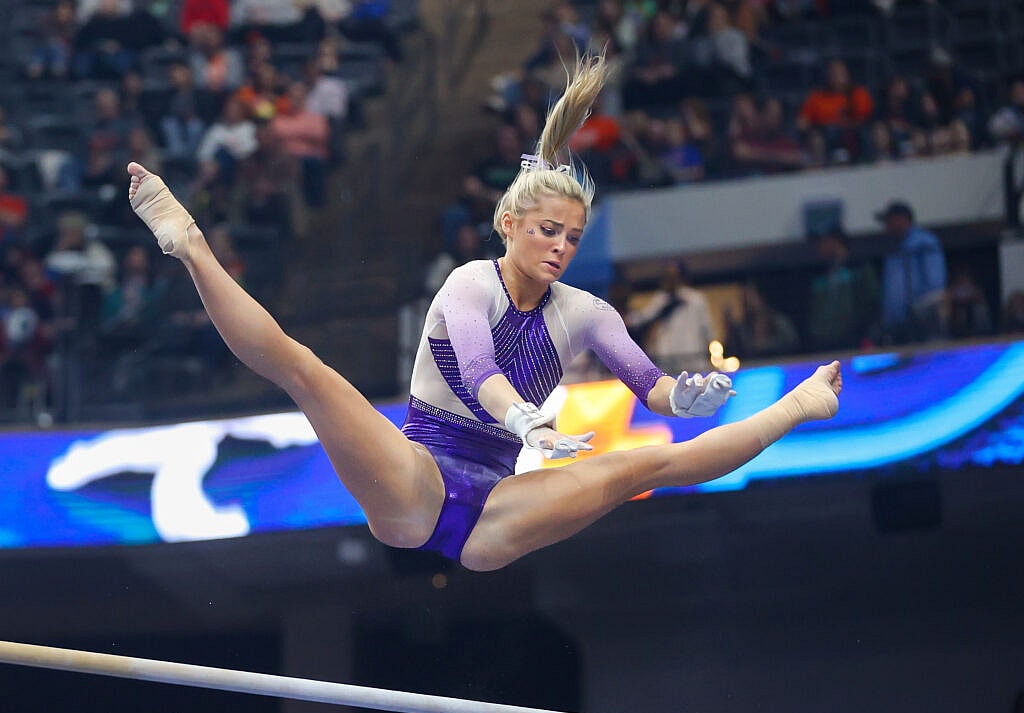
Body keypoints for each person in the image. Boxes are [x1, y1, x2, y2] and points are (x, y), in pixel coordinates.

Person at [125, 52, 842, 572]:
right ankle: (191, 245)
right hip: (419, 480)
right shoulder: (469, 285)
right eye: (546, 231)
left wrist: (686, 395)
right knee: (306, 371)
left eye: (572, 237)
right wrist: (530, 420)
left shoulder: (586, 311)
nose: (561, 247)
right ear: (508, 226)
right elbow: (476, 369)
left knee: (644, 465)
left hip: (499, 510)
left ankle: (799, 407)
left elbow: (650, 387)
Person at [875, 200, 948, 344]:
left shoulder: (924, 243)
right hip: (898, 328)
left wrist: (917, 309)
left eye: (889, 221)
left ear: (901, 219)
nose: (886, 227)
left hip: (922, 324)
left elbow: (935, 284)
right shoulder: (894, 247)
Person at [625, 259, 714, 372]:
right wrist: (626, 319)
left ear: (681, 277)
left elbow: (707, 329)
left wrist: (711, 351)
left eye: (674, 275)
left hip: (692, 356)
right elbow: (644, 317)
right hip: (668, 359)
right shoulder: (660, 299)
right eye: (667, 276)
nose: (671, 279)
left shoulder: (695, 298)